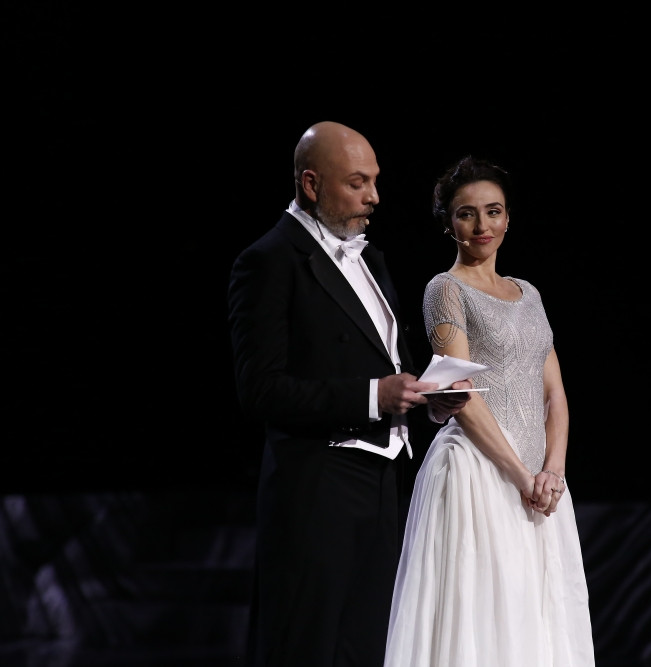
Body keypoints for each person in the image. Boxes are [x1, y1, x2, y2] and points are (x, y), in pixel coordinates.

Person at [227, 121, 471, 667]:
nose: (374, 197)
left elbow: (385, 365)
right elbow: (260, 391)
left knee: (368, 647)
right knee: (307, 647)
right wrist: (372, 397)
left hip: (384, 482)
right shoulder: (269, 261)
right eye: (358, 183)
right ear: (311, 184)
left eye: (375, 181)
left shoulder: (370, 258)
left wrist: (427, 395)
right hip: (318, 487)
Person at [384, 155, 596, 666]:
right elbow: (459, 393)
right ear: (448, 223)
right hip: (478, 475)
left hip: (539, 484)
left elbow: (554, 394)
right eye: (467, 213)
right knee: (480, 619)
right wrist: (523, 477)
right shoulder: (446, 289)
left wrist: (553, 474)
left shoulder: (529, 294)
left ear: (508, 218)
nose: (482, 225)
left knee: (535, 621)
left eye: (493, 211)